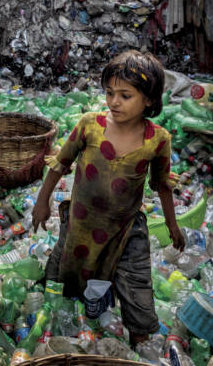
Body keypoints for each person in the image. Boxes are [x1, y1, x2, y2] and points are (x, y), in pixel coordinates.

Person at [32, 50, 185, 347]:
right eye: (109, 93)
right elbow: (60, 164)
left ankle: (140, 345)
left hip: (125, 229)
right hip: (80, 222)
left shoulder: (158, 140)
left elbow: (161, 186)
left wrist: (173, 226)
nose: (114, 102)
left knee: (137, 288)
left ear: (149, 100)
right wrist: (42, 202)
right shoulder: (90, 125)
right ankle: (60, 335)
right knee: (61, 278)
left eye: (125, 95)